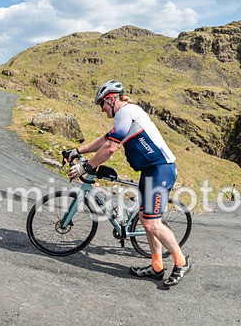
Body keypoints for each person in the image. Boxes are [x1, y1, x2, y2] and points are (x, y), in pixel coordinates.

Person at [67, 79, 191, 287]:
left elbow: (110, 148)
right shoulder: (124, 117)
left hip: (161, 168)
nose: (102, 109)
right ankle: (157, 267)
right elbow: (104, 140)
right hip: (149, 170)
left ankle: (182, 262)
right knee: (145, 219)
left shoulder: (127, 111)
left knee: (152, 222)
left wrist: (86, 166)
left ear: (111, 99)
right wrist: (77, 151)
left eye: (102, 104)